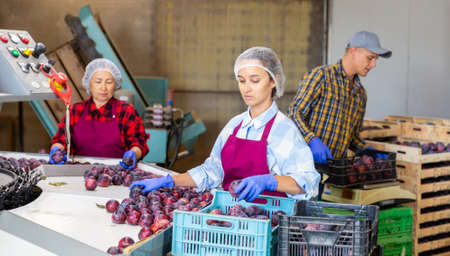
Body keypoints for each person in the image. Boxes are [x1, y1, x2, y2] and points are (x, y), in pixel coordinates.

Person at [130, 47, 320, 201]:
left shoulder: (285, 130)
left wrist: (270, 181)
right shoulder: (234, 125)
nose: (246, 88)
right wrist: (168, 181)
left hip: (267, 224)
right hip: (230, 219)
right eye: (241, 80)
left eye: (255, 80)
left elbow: (308, 183)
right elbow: (212, 171)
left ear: (274, 81)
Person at [288, 31, 392, 164]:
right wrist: (312, 140)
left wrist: (365, 149)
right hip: (303, 166)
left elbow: (352, 137)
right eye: (370, 58)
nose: (373, 65)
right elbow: (294, 114)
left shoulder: (360, 94)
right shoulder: (322, 76)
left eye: (376, 60)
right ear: (353, 51)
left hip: (335, 171)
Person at [49, 58, 149, 169]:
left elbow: (139, 143)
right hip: (78, 174)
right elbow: (61, 140)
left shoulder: (126, 111)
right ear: (89, 84)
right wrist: (56, 150)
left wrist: (134, 153)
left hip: (116, 174)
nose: (103, 87)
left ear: (115, 85)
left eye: (109, 82)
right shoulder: (76, 111)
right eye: (98, 81)